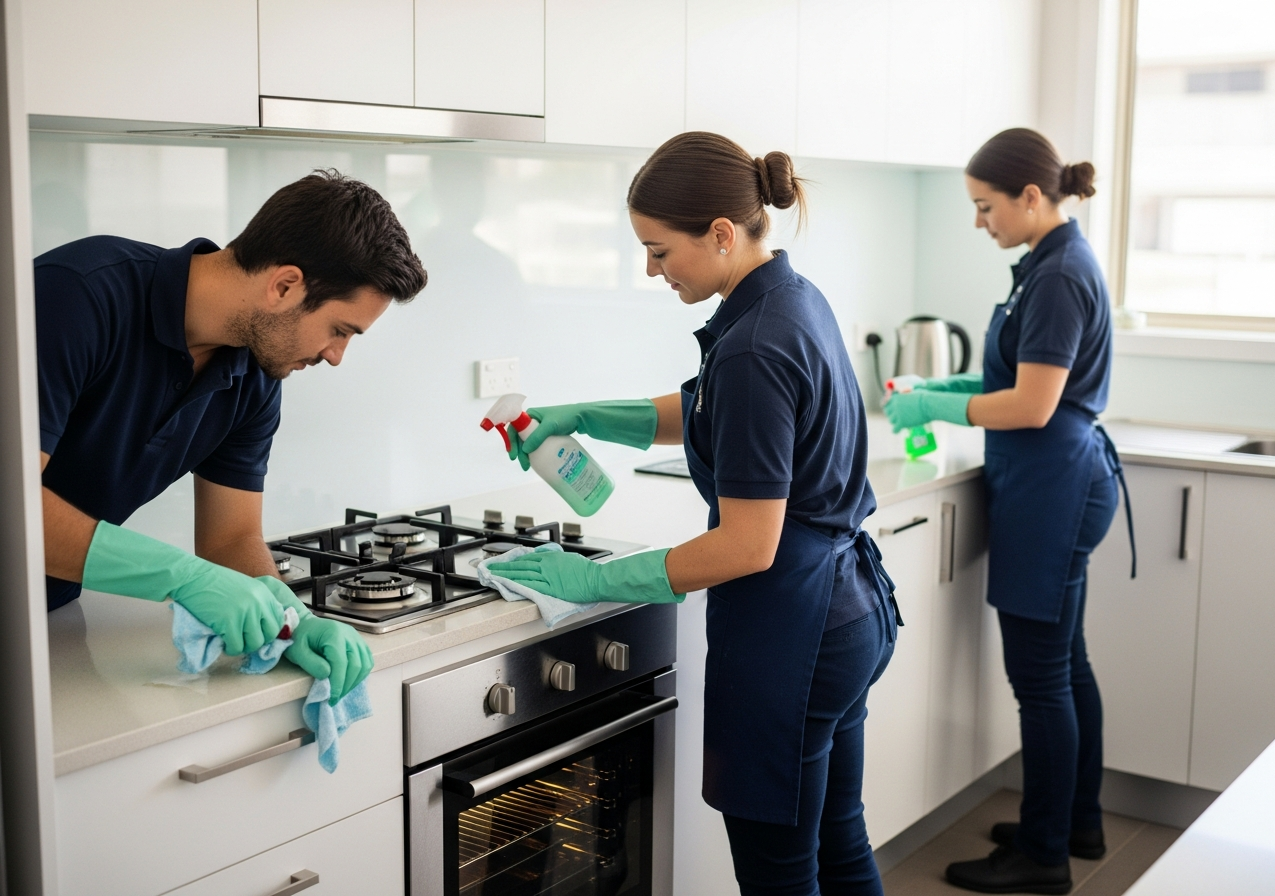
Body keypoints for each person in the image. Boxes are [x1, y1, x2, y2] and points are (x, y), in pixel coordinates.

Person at [489, 131, 900, 895]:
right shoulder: (789, 297)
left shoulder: (753, 347)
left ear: (718, 234)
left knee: (782, 875)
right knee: (839, 847)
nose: (650, 270)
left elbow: (746, 546)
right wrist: (582, 414)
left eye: (658, 250)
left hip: (795, 633)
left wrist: (595, 580)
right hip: (850, 616)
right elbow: (706, 410)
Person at [38, 169, 428, 703]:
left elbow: (230, 538)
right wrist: (179, 576)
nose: (336, 356)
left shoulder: (255, 377)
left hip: (47, 617)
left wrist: (293, 620)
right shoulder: (76, 296)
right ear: (285, 285)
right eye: (340, 330)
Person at [886, 128, 1133, 895]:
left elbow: (1032, 404)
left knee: (1042, 678)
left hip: (1052, 488)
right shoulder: (1047, 266)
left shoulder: (1060, 274)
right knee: (1065, 665)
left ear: (1031, 196)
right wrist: (950, 389)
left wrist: (933, 400)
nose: (978, 221)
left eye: (984, 206)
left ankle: (1043, 854)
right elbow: (1019, 375)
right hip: (1052, 481)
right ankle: (1074, 821)